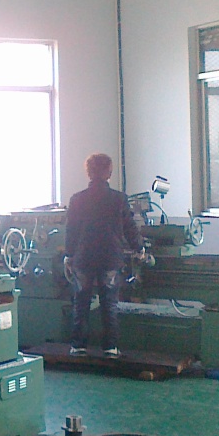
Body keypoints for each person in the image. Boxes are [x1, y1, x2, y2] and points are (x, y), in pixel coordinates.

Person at [64, 152, 144, 358]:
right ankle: (110, 347)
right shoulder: (119, 199)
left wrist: (69, 255)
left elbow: (71, 230)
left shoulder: (77, 199)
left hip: (83, 258)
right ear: (109, 173)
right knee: (109, 303)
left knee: (81, 302)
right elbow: (130, 227)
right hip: (110, 258)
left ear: (88, 173)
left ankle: (78, 346)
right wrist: (139, 248)